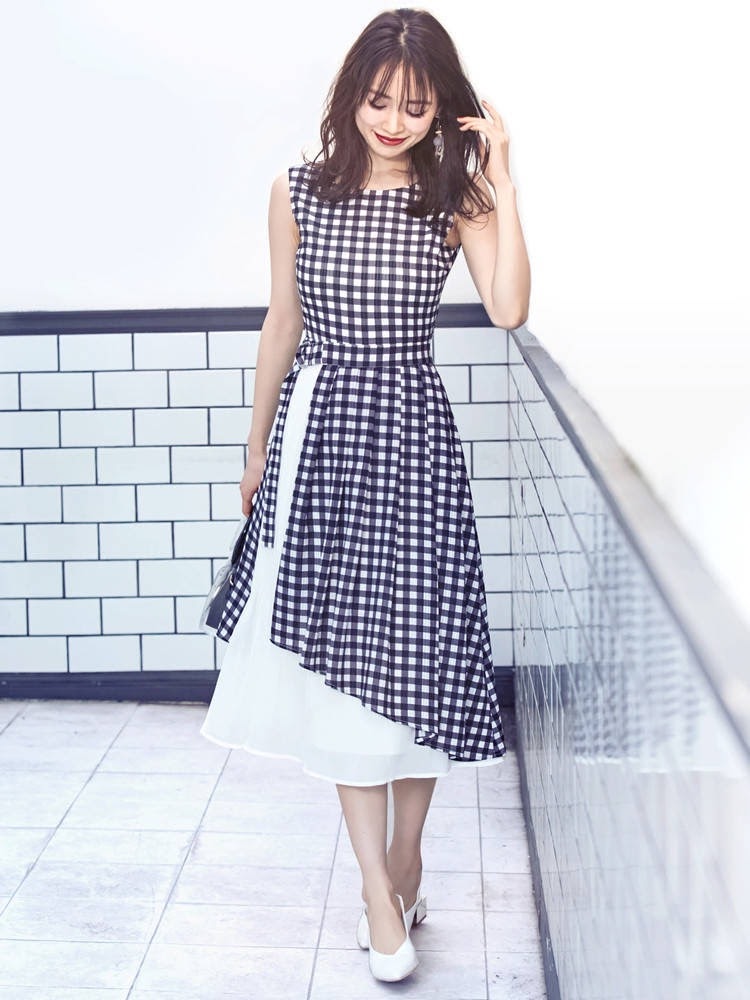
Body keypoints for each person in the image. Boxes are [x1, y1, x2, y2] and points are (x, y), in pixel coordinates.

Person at [200, 6, 530, 984]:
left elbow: (510, 307)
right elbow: (282, 323)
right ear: (352, 93)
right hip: (320, 443)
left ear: (443, 111)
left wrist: (505, 180)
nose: (392, 121)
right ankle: (378, 894)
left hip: (415, 444)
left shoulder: (455, 197)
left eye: (415, 107)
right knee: (345, 670)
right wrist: (256, 449)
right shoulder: (299, 189)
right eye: (379, 100)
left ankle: (406, 858)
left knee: (421, 658)